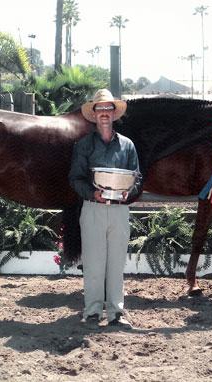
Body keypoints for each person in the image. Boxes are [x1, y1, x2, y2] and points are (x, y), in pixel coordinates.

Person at [69, 88, 141, 328]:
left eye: (108, 109)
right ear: (94, 113)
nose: (104, 113)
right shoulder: (84, 145)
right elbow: (76, 179)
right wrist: (93, 193)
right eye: (99, 109)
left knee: (116, 263)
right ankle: (91, 311)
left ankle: (116, 313)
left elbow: (137, 177)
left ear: (114, 113)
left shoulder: (128, 146)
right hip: (93, 209)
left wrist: (127, 192)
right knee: (93, 262)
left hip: (120, 210)